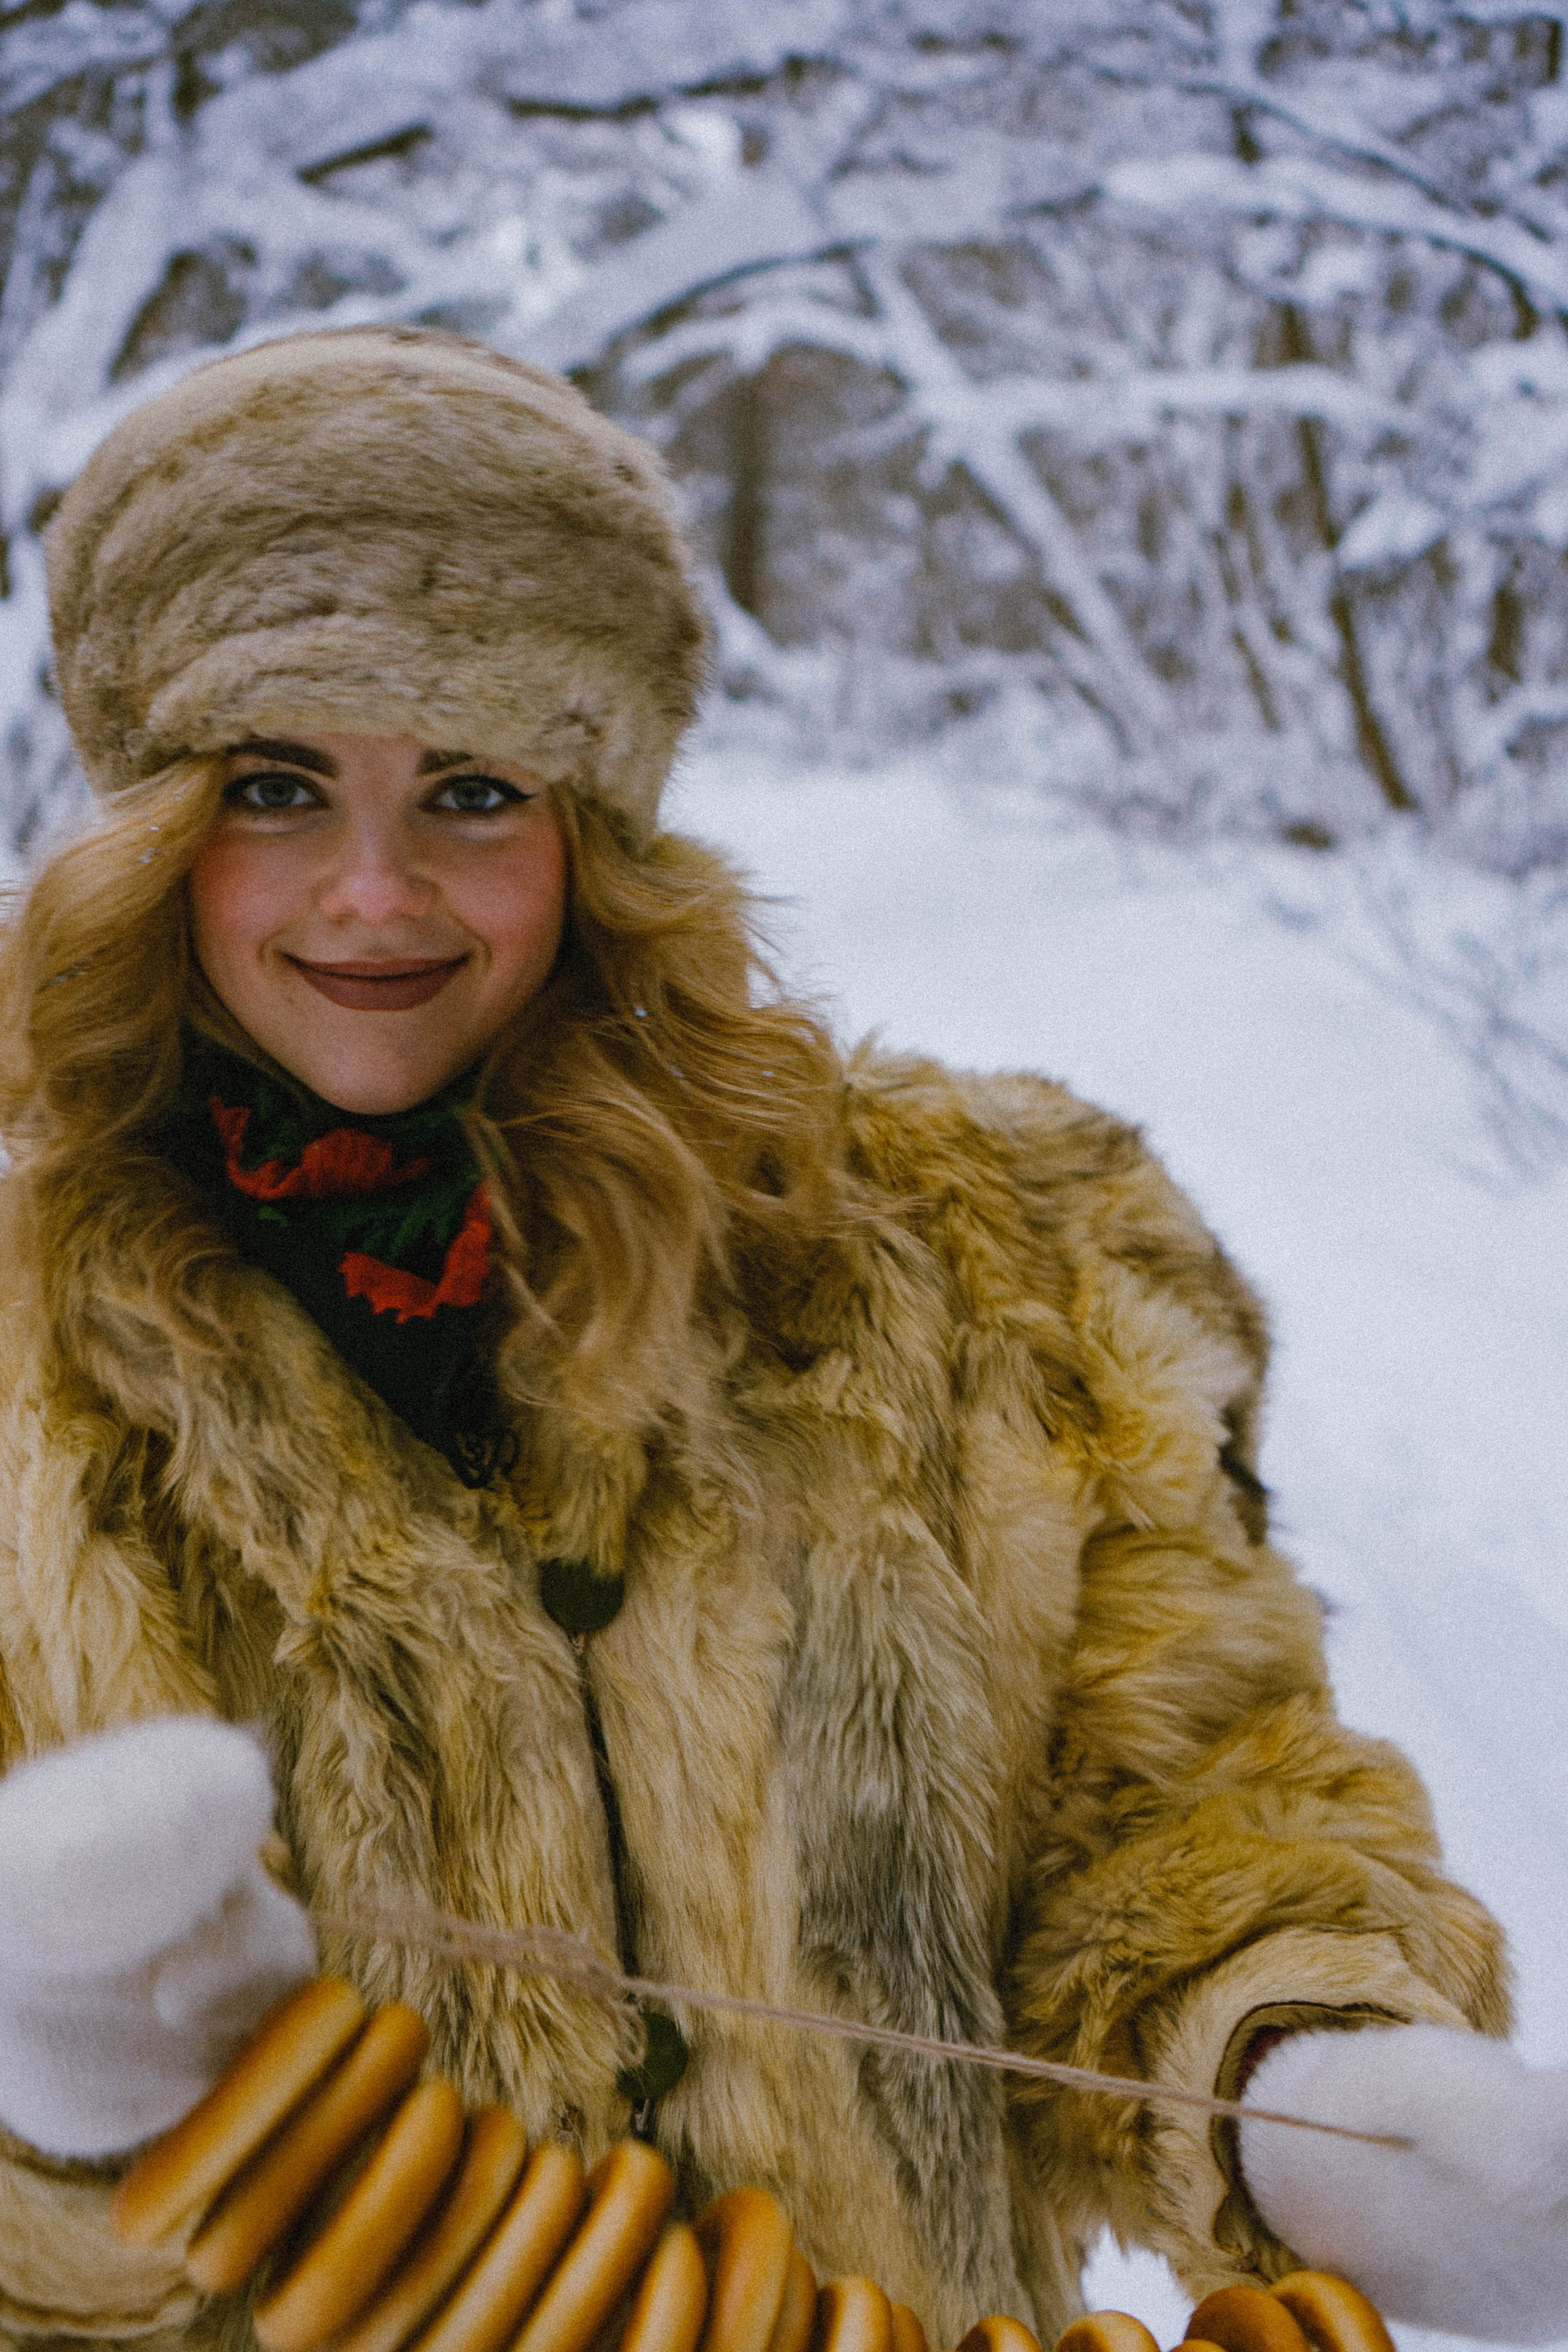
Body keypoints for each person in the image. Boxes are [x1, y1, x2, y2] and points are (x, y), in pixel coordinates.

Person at [0, 326, 1559, 2352]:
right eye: (276, 787)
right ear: (152, 821)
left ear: (596, 825)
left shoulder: (988, 1271)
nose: (371, 894)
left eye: (473, 789)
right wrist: (71, 2115)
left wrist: (1319, 2090)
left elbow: (1192, 1807)